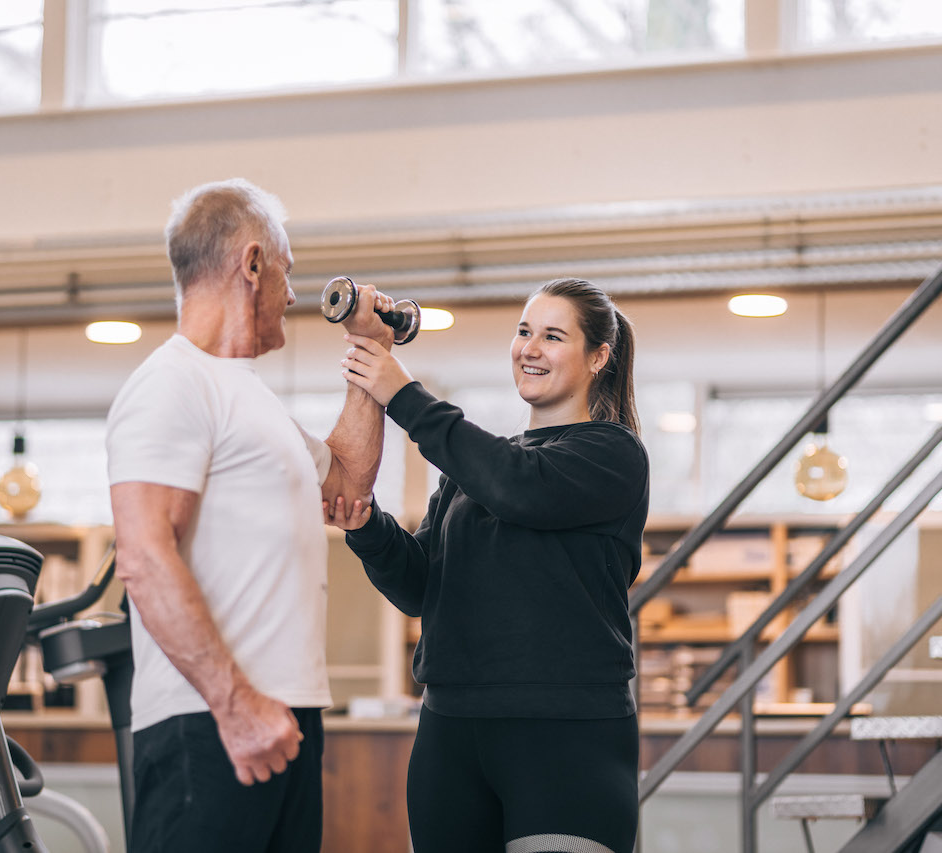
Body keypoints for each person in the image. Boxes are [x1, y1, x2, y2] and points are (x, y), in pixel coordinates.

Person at [106, 178, 394, 853]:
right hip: (209, 721)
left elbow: (348, 483)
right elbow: (144, 558)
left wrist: (372, 353)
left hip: (285, 715)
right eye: (287, 271)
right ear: (254, 263)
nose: (292, 296)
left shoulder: (253, 402)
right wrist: (236, 706)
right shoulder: (171, 383)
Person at [326, 278, 649, 853]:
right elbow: (420, 587)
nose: (530, 348)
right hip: (450, 734)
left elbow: (519, 489)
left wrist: (404, 395)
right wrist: (366, 525)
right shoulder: (470, 474)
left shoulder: (612, 454)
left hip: (564, 739)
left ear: (599, 357)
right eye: (524, 331)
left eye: (553, 336)